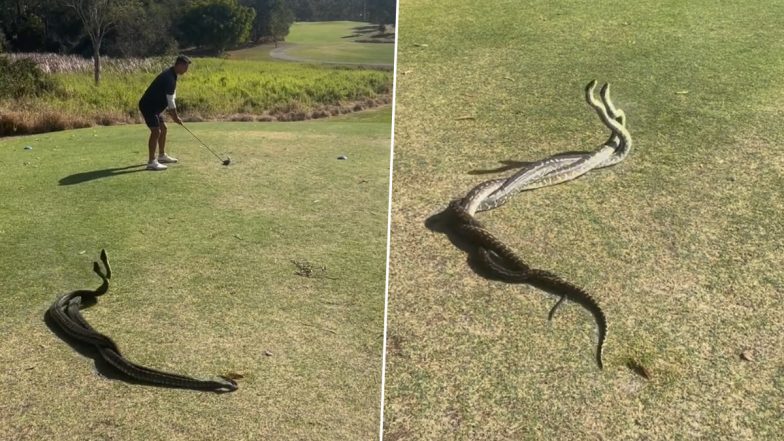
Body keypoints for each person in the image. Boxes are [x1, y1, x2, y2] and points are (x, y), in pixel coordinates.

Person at [138, 55, 191, 171]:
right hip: (149, 106)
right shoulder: (169, 78)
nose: (186, 70)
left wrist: (175, 116)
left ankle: (161, 156)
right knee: (156, 131)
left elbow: (171, 98)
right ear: (179, 65)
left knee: (164, 128)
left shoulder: (172, 75)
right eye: (185, 67)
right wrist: (175, 117)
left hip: (155, 107)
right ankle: (151, 162)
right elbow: (170, 100)